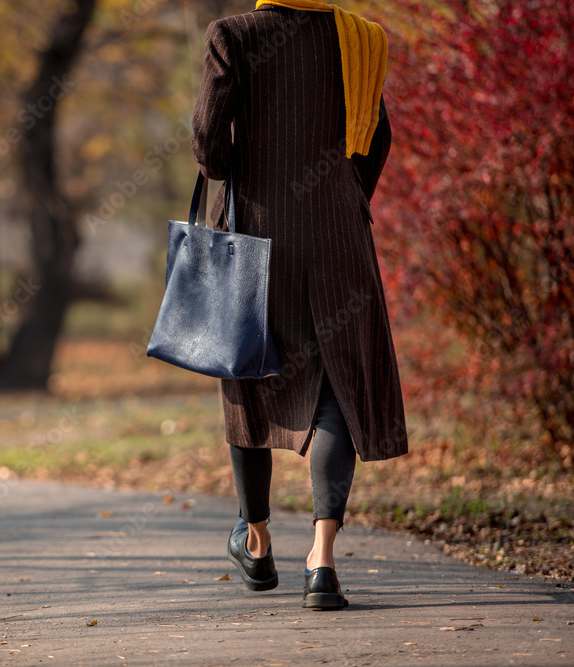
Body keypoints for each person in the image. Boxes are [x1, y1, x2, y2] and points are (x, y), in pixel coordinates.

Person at [191, 0, 409, 609]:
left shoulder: (231, 35)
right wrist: (343, 195)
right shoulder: (361, 40)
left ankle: (257, 539)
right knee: (337, 383)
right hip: (340, 234)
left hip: (256, 235)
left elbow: (208, 146)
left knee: (246, 369)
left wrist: (247, 173)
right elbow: (379, 136)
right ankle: (323, 560)